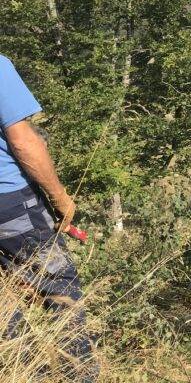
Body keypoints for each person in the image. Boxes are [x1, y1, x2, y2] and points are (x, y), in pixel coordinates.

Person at [0, 54, 96, 381]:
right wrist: (61, 198)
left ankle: (21, 371)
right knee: (59, 286)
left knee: (6, 303)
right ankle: (77, 375)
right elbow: (23, 141)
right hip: (9, 202)